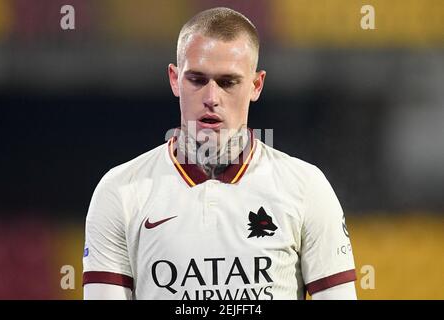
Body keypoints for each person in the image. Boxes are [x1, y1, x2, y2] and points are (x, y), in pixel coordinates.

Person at [82, 7, 357, 300]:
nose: (211, 98)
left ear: (256, 85)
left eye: (228, 82)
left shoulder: (306, 187)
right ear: (175, 79)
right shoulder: (120, 192)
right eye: (197, 80)